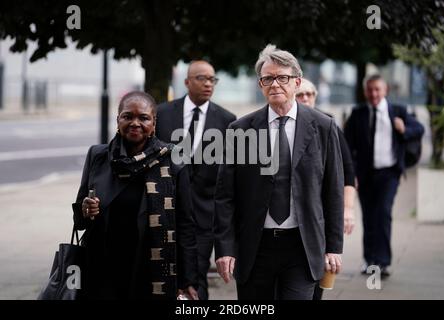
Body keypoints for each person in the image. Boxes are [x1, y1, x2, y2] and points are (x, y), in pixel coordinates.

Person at [214, 44, 344, 300]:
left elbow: (333, 191)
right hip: (255, 247)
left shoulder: (323, 126)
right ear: (261, 85)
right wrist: (225, 248)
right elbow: (225, 196)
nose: (275, 84)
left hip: (303, 246)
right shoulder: (240, 130)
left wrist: (334, 247)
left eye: (282, 78)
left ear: (297, 81)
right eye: (268, 79)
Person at [72, 91, 198, 300]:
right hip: (102, 268)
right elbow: (80, 219)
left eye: (143, 118)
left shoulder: (172, 160)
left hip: (150, 268)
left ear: (154, 123)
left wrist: (188, 280)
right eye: (128, 116)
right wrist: (85, 209)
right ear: (118, 120)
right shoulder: (98, 156)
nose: (135, 123)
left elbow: (185, 225)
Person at [156, 61, 236, 300]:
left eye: (213, 79)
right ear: (187, 82)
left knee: (197, 273)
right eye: (202, 78)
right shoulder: (161, 114)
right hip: (164, 209)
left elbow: (231, 173)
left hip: (204, 215)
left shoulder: (227, 120)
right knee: (164, 273)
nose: (208, 83)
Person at [344, 75, 424, 277]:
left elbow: (419, 128)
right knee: (369, 217)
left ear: (385, 90)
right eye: (370, 90)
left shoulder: (398, 111)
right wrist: (351, 174)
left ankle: (383, 261)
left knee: (383, 213)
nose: (374, 94)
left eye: (377, 89)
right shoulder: (358, 113)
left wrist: (403, 128)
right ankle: (369, 261)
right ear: (365, 92)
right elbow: (347, 146)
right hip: (364, 174)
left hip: (389, 173)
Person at [296, 78, 356, 300]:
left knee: (317, 280)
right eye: (300, 95)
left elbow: (347, 172)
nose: (305, 98)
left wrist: (347, 209)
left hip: (318, 216)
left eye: (309, 94)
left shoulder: (327, 125)